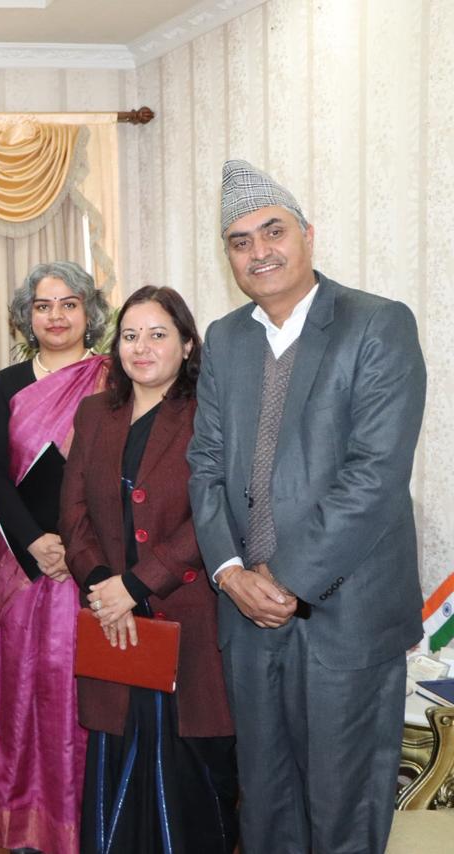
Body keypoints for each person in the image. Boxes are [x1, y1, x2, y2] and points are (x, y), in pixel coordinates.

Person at [187, 160, 427, 853]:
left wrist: (283, 579)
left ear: (308, 235)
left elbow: (375, 475)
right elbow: (204, 465)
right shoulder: (226, 337)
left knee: (343, 811)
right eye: (240, 241)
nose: (259, 251)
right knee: (265, 807)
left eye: (273, 231)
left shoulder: (376, 324)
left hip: (346, 617)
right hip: (247, 615)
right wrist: (230, 573)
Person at [59, 285, 238, 853]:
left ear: (187, 344)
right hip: (113, 622)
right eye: (130, 335)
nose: (141, 347)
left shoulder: (209, 413)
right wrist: (101, 587)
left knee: (191, 767)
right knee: (117, 750)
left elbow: (214, 514)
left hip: (186, 619)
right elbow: (73, 514)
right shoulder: (95, 413)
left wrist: (137, 585)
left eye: (158, 335)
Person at [0, 261, 108, 854]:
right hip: (24, 561)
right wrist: (33, 541)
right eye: (43, 305)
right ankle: (22, 823)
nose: (56, 316)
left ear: (89, 312)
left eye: (69, 304)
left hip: (93, 562)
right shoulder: (7, 384)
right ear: (27, 316)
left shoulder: (114, 378)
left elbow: (117, 474)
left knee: (83, 691)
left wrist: (75, 547)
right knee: (21, 690)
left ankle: (88, 820)